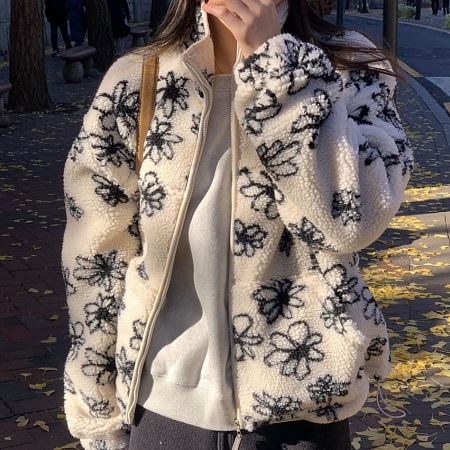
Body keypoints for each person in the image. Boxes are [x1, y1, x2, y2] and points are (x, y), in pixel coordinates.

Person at [61, 0, 413, 449]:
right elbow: (96, 253)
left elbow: (351, 221)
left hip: (301, 408)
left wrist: (277, 67)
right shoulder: (137, 79)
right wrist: (95, 404)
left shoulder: (349, 67)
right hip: (163, 407)